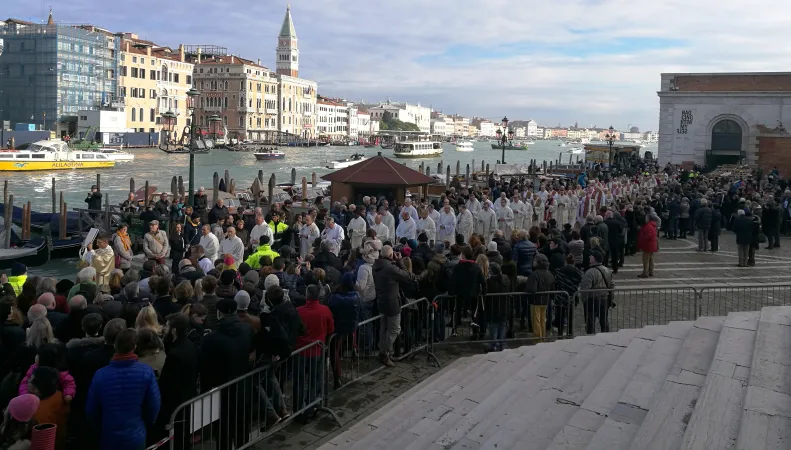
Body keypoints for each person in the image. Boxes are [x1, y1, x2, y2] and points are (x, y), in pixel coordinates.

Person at [86, 328, 161, 450]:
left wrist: (98, 428)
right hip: (136, 433)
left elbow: (92, 409)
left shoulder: (100, 375)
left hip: (108, 434)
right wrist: (145, 425)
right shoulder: (146, 372)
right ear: (135, 347)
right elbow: (153, 406)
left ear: (115, 346)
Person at [200, 298, 255, 446]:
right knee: (241, 427)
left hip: (222, 391)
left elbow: (206, 367)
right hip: (243, 387)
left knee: (223, 431)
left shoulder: (212, 339)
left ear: (220, 313)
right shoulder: (247, 330)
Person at [154, 313, 199, 448]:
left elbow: (168, 384)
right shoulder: (190, 346)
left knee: (176, 440)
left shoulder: (175, 354)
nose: (164, 329)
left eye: (167, 326)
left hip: (175, 405)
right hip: (187, 399)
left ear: (174, 330)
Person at [294, 285, 334, 421]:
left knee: (298, 382)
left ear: (306, 296)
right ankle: (309, 410)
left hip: (300, 353)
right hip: (316, 352)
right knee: (313, 381)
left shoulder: (298, 311)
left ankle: (297, 411)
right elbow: (330, 329)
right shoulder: (325, 310)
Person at [327, 273, 361, 389]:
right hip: (351, 326)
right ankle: (354, 348)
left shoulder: (334, 297)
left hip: (337, 327)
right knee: (352, 332)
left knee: (334, 352)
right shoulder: (356, 296)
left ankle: (337, 378)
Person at [579, 249, 613, 334]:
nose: (589, 257)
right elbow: (611, 284)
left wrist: (584, 300)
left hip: (592, 299)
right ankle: (606, 336)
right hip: (604, 298)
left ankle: (591, 338)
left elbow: (585, 288)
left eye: (591, 256)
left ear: (594, 259)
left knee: (590, 321)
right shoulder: (607, 270)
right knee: (604, 320)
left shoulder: (590, 272)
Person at [525, 253, 554, 339]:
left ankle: (538, 339)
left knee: (536, 321)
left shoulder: (535, 274)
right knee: (542, 320)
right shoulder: (549, 273)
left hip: (535, 301)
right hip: (545, 300)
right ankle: (542, 336)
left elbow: (531, 289)